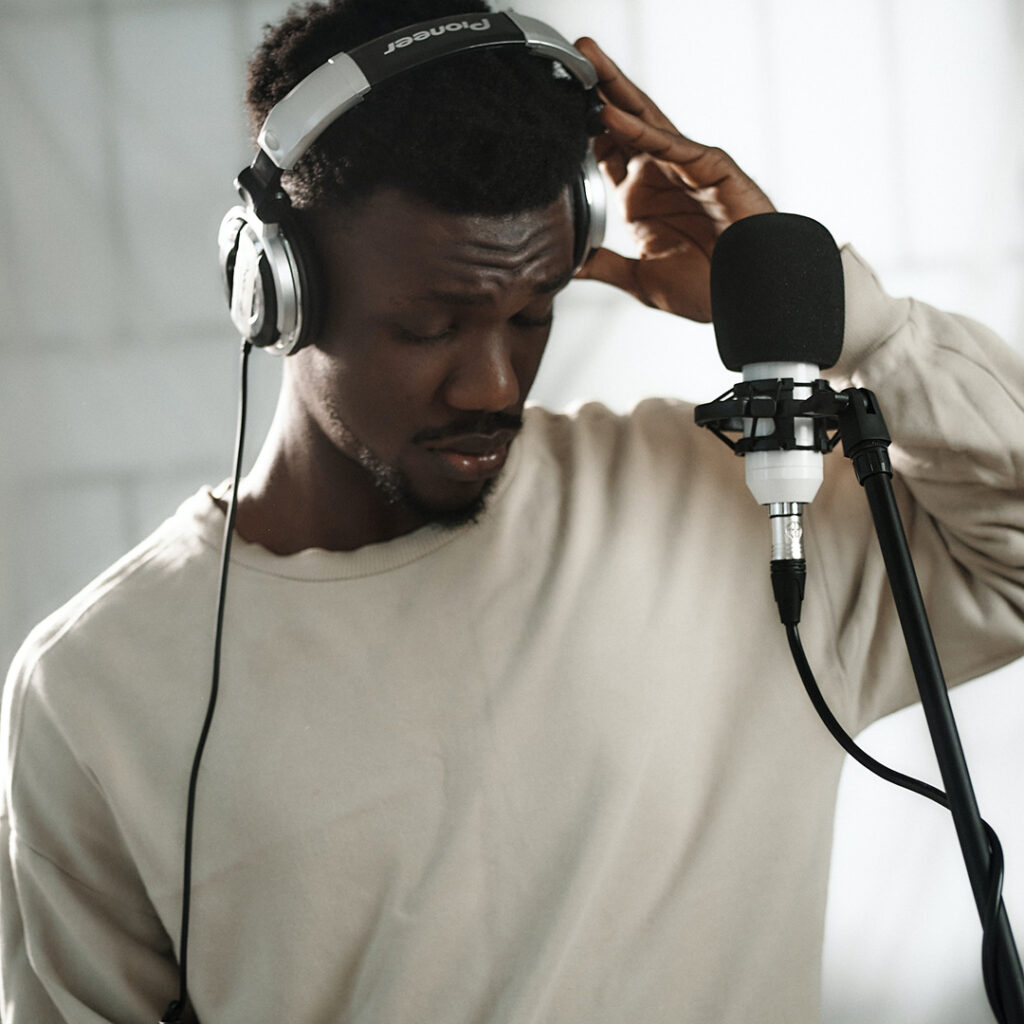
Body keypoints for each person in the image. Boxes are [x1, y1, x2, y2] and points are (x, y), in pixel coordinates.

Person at [2, 1, 1023, 1021]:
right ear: (276, 289)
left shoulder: (736, 500)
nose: (491, 382)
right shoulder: (95, 688)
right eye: (430, 326)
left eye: (532, 311)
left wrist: (838, 313)